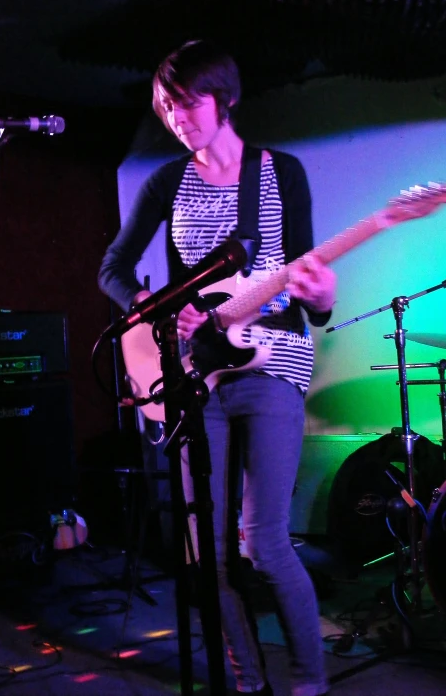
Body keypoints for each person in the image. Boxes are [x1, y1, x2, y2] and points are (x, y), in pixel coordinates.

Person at [98, 39, 335, 696]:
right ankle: (247, 679)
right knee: (208, 552)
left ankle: (310, 680)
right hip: (195, 377)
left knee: (263, 541)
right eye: (164, 107)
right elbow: (112, 269)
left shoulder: (279, 173)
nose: (175, 117)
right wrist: (151, 309)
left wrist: (321, 294)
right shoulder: (167, 182)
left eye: (184, 102)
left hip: (271, 364)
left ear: (221, 97)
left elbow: (310, 287)